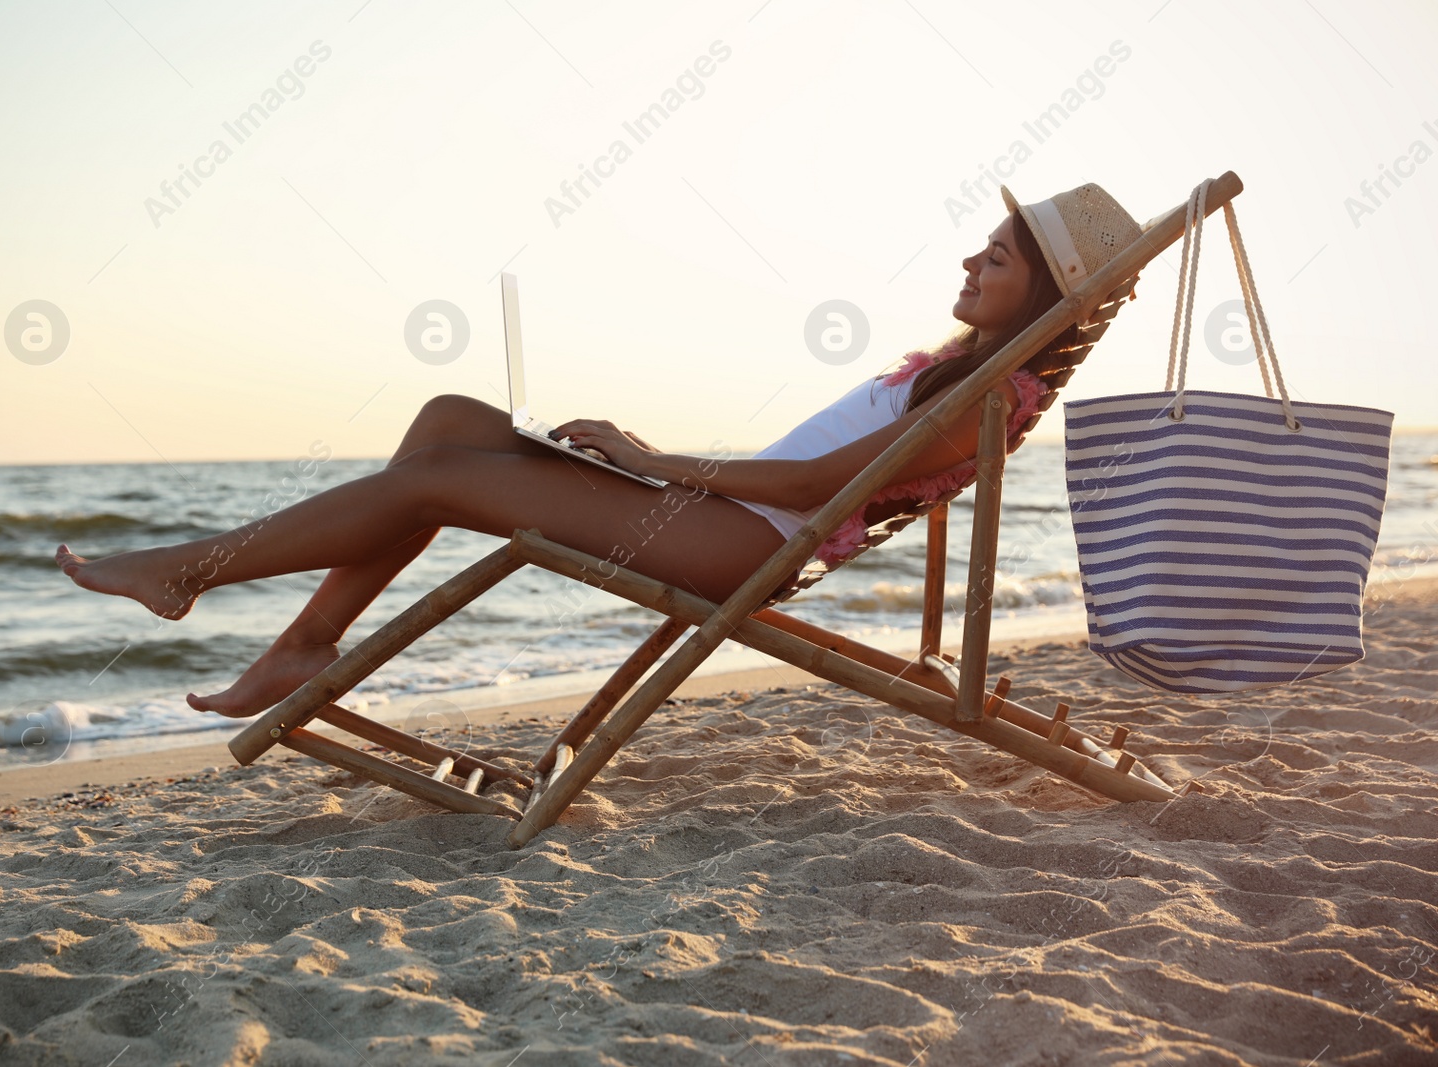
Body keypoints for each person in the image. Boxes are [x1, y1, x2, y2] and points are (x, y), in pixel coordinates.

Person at [56, 182, 1142, 718]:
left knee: (436, 477)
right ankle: (304, 645)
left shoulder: (991, 395)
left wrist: (654, 457)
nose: (970, 256)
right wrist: (646, 464)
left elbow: (819, 487)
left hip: (740, 544)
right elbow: (841, 483)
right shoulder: (962, 371)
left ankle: (187, 570)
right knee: (448, 420)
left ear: (1043, 292)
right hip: (734, 520)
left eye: (995, 256)